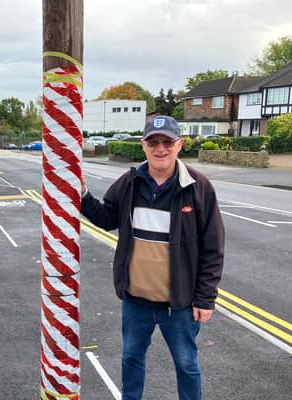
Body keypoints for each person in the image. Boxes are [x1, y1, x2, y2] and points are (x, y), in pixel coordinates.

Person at [81, 115, 225, 400]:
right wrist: (83, 194)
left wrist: (205, 299)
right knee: (131, 359)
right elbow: (107, 216)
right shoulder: (130, 182)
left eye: (167, 141)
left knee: (187, 365)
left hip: (180, 305)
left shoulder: (199, 187)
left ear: (179, 144)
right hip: (136, 302)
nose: (161, 148)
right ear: (144, 146)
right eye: (153, 142)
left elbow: (213, 247)